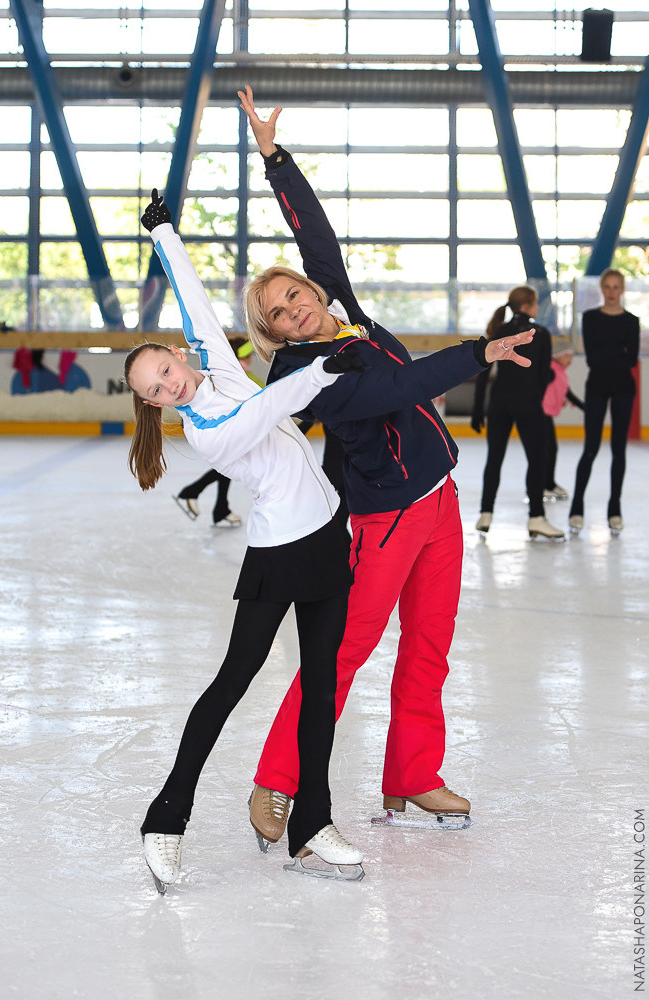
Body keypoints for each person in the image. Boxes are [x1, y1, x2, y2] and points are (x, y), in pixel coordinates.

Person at [237, 85, 536, 842]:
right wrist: (475, 353)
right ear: (271, 332)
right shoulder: (301, 376)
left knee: (429, 646)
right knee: (340, 653)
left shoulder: (342, 305)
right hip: (380, 518)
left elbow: (317, 235)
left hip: (437, 500)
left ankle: (412, 776)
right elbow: (397, 386)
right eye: (275, 311)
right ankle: (275, 780)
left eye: (293, 292)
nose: (292, 306)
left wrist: (275, 161)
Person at [125, 190, 366, 889]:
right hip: (280, 553)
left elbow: (194, 296)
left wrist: (165, 232)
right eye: (155, 391)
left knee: (320, 686)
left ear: (177, 354)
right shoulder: (208, 431)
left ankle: (311, 823)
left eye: (165, 371)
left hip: (327, 534)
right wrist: (325, 366)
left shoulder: (212, 361)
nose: (169, 385)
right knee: (233, 681)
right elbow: (271, 404)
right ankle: (165, 818)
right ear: (153, 405)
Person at [471, 285, 564, 540]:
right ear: (529, 306)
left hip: (499, 403)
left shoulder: (498, 330)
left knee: (495, 458)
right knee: (537, 459)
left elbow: (483, 372)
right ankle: (536, 517)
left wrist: (478, 409)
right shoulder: (541, 333)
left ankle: (485, 513)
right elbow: (544, 375)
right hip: (528, 404)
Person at [568, 268, 640, 534]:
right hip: (597, 386)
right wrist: (616, 354)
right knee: (591, 448)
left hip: (623, 388)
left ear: (622, 290)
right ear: (602, 289)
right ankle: (576, 507)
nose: (611, 292)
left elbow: (631, 359)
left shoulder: (632, 321)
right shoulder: (590, 318)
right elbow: (592, 359)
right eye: (607, 287)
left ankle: (614, 509)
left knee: (618, 449)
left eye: (616, 287)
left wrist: (611, 355)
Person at [173, 337, 259, 527]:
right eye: (248, 355)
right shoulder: (236, 375)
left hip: (227, 429)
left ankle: (218, 506)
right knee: (230, 463)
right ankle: (196, 493)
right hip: (221, 429)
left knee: (229, 463)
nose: (251, 357)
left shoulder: (234, 373)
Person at [542, 349, 583, 501]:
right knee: (545, 450)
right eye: (566, 355)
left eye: (572, 356)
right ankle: (540, 486)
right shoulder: (549, 369)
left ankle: (549, 483)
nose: (570, 359)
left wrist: (585, 408)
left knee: (551, 449)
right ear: (557, 355)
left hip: (547, 414)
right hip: (540, 413)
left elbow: (567, 393)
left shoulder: (560, 372)